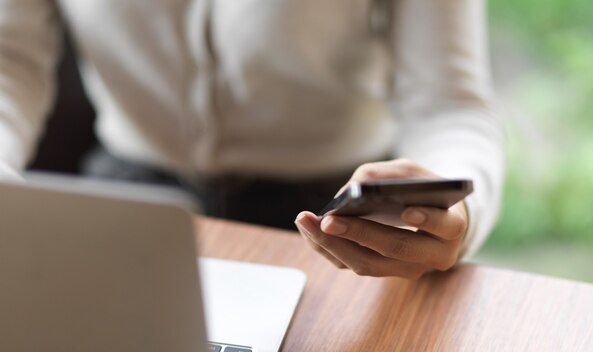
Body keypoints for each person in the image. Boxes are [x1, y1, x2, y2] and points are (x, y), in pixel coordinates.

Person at [0, 0, 504, 278]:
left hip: (337, 219)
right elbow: (9, 62)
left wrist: (451, 211)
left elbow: (450, 107)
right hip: (129, 198)